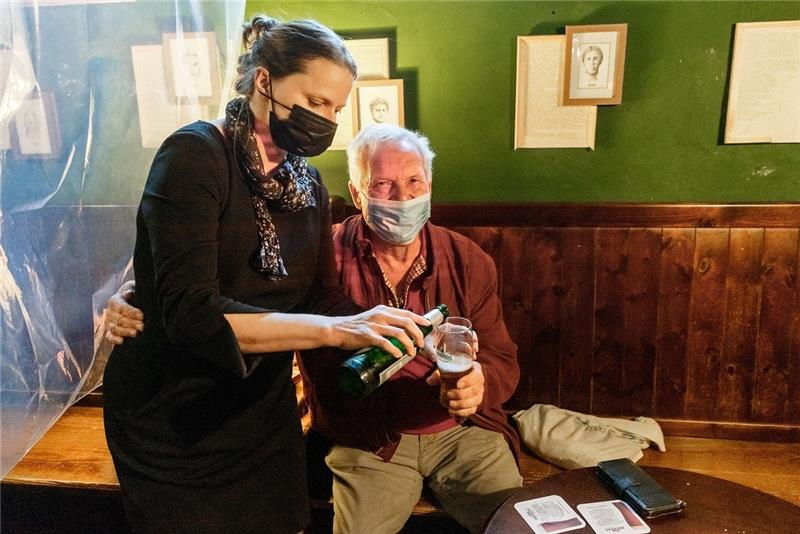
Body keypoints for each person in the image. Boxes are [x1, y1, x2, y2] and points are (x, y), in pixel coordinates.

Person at [101, 16, 430, 534]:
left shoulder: (309, 185)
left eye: (337, 109)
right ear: (264, 82)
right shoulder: (195, 156)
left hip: (260, 415)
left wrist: (380, 323)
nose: (327, 119)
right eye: (316, 102)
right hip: (173, 418)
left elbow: (320, 297)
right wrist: (334, 330)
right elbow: (191, 314)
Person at [106, 124, 522, 534]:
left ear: (431, 186)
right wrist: (138, 295)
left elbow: (502, 358)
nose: (403, 197)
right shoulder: (319, 256)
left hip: (462, 432)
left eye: (415, 181)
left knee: (520, 524)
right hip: (369, 440)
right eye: (383, 184)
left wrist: (480, 382)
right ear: (357, 193)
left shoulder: (469, 260)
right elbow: (226, 291)